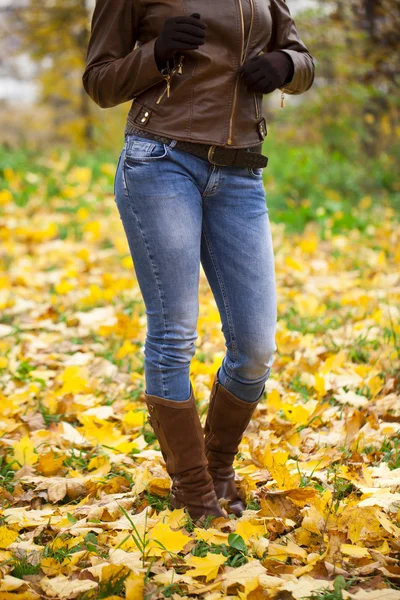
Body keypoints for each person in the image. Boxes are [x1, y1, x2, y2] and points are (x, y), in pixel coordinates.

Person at [82, 0, 315, 521]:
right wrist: (156, 52)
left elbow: (303, 60)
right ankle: (194, 491)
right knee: (174, 333)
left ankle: (215, 467)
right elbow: (99, 82)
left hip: (240, 174)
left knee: (256, 347)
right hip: (158, 161)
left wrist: (286, 67)